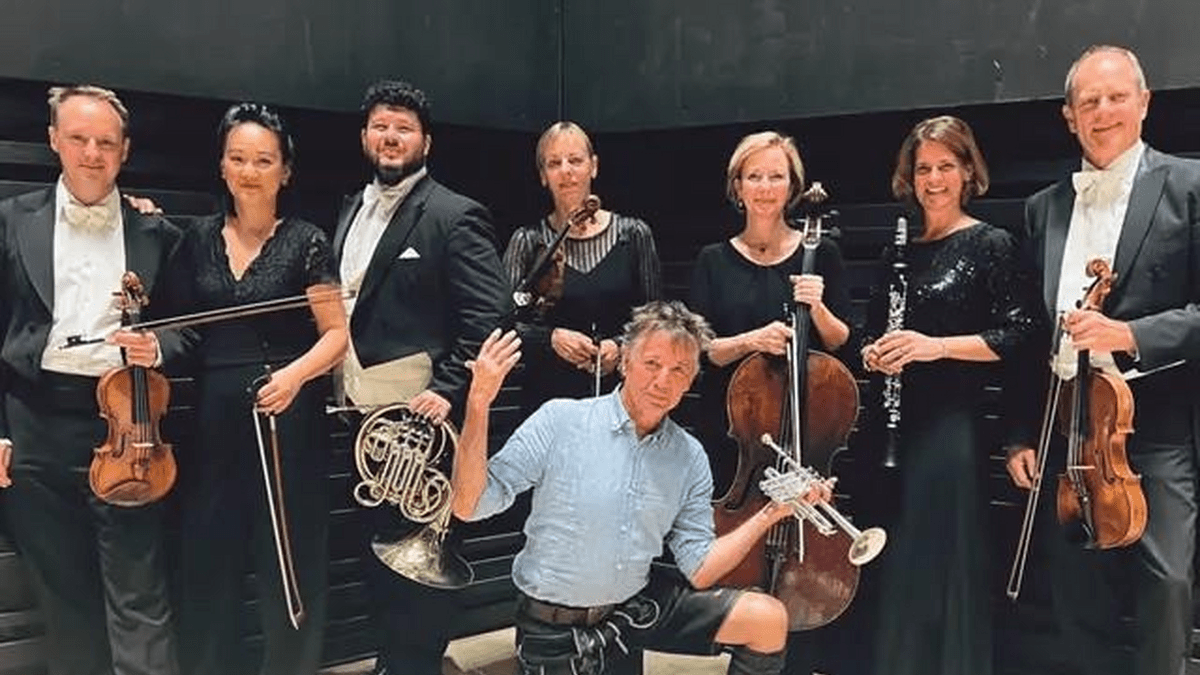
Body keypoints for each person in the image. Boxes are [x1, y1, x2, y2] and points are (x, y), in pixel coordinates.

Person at [452, 301, 832, 675]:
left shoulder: (688, 456)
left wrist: (772, 512)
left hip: (632, 615)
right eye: (652, 363)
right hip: (552, 630)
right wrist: (479, 403)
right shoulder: (560, 420)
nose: (663, 381)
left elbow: (700, 570)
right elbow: (468, 506)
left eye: (679, 369)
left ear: (690, 380)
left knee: (765, 618)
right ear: (625, 362)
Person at [1005, 45, 1200, 675]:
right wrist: (1021, 434)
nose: (1103, 111)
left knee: (1167, 583)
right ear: (1070, 116)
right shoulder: (1043, 209)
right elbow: (1032, 335)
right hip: (1068, 429)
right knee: (1076, 591)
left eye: (1117, 97)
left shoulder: (1190, 185)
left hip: (1157, 424)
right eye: (1089, 101)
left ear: (1144, 103)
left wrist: (1129, 334)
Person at [0, 85, 191, 675]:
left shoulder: (157, 232)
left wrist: (157, 345)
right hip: (33, 424)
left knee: (140, 592)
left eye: (106, 142)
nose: (92, 153)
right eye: (78, 139)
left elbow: (189, 328)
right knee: (64, 596)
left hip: (129, 422)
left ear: (124, 150)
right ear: (53, 140)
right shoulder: (10, 221)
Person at [331, 79, 508, 675]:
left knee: (421, 568)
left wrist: (447, 390)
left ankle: (417, 665)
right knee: (378, 556)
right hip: (362, 421)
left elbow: (490, 318)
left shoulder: (455, 215)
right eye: (381, 126)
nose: (391, 137)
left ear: (425, 141)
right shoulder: (350, 209)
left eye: (404, 128)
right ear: (365, 136)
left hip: (423, 427)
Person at [860, 115, 1046, 675]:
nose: (934, 179)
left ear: (968, 172)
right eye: (923, 169)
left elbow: (1021, 335)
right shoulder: (896, 253)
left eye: (946, 166)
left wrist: (934, 347)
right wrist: (872, 354)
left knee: (940, 563)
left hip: (949, 428)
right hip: (890, 428)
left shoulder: (992, 244)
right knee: (894, 564)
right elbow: (870, 332)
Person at [171, 103, 348, 675]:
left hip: (284, 415)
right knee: (209, 559)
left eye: (264, 161)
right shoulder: (196, 239)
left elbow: (336, 335)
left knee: (289, 561)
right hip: (212, 416)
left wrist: (293, 376)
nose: (250, 171)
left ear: (285, 171)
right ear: (222, 166)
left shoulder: (307, 240)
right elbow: (181, 329)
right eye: (239, 158)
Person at [688, 131, 854, 675]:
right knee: (728, 570)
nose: (764, 187)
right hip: (738, 440)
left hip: (805, 438)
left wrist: (818, 307)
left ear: (792, 186)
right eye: (753, 176)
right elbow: (703, 349)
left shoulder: (821, 253)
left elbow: (843, 342)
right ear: (737, 186)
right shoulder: (713, 260)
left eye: (775, 176)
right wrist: (749, 341)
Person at [502, 121, 661, 415]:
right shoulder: (527, 241)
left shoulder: (634, 234)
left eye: (575, 160)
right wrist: (551, 339)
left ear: (593, 166)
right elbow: (503, 322)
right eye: (554, 163)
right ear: (543, 176)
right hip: (546, 402)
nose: (566, 170)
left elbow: (654, 320)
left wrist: (620, 346)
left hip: (621, 398)